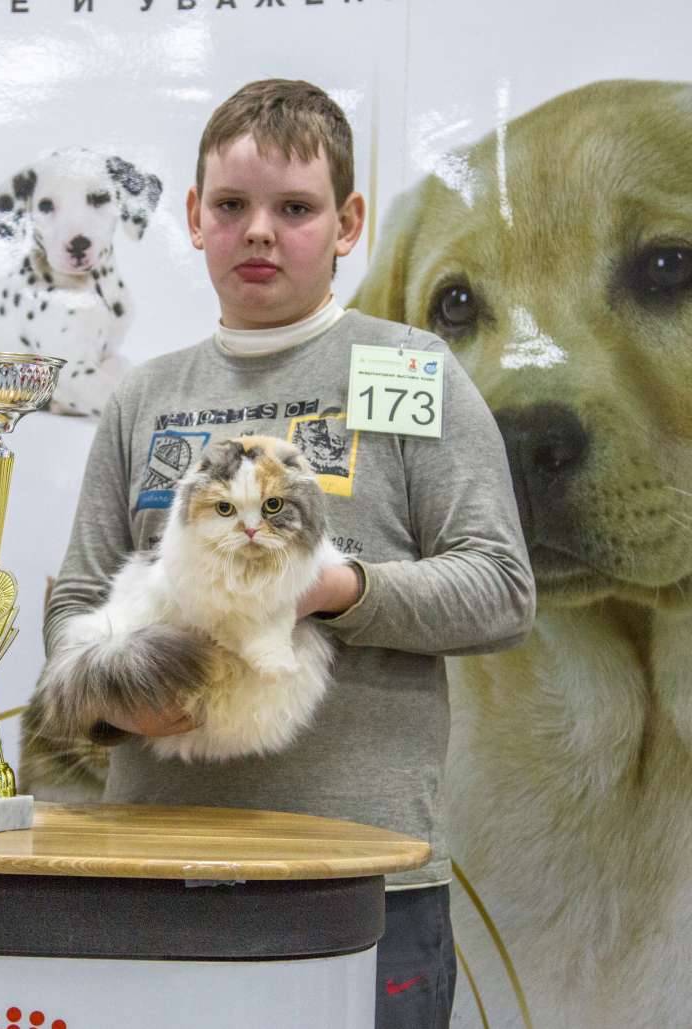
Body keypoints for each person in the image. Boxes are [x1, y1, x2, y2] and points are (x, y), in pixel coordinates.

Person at [41, 79, 536, 1028]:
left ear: (347, 223)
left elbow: (501, 588)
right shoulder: (144, 396)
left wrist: (329, 589)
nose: (259, 231)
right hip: (151, 874)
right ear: (195, 217)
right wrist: (113, 696)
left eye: (296, 209)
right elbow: (76, 609)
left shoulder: (407, 371)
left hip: (362, 885)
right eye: (232, 205)